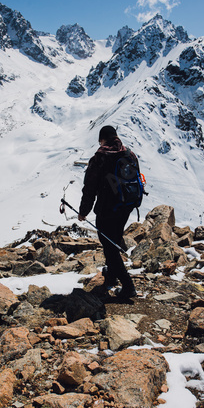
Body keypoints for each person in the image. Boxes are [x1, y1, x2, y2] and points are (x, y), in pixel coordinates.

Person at [78, 125, 139, 298]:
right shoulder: (129, 154)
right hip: (126, 206)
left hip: (107, 209)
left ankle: (128, 287)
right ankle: (111, 276)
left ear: (103, 139)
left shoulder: (100, 157)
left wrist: (83, 211)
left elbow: (89, 187)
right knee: (114, 239)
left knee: (109, 247)